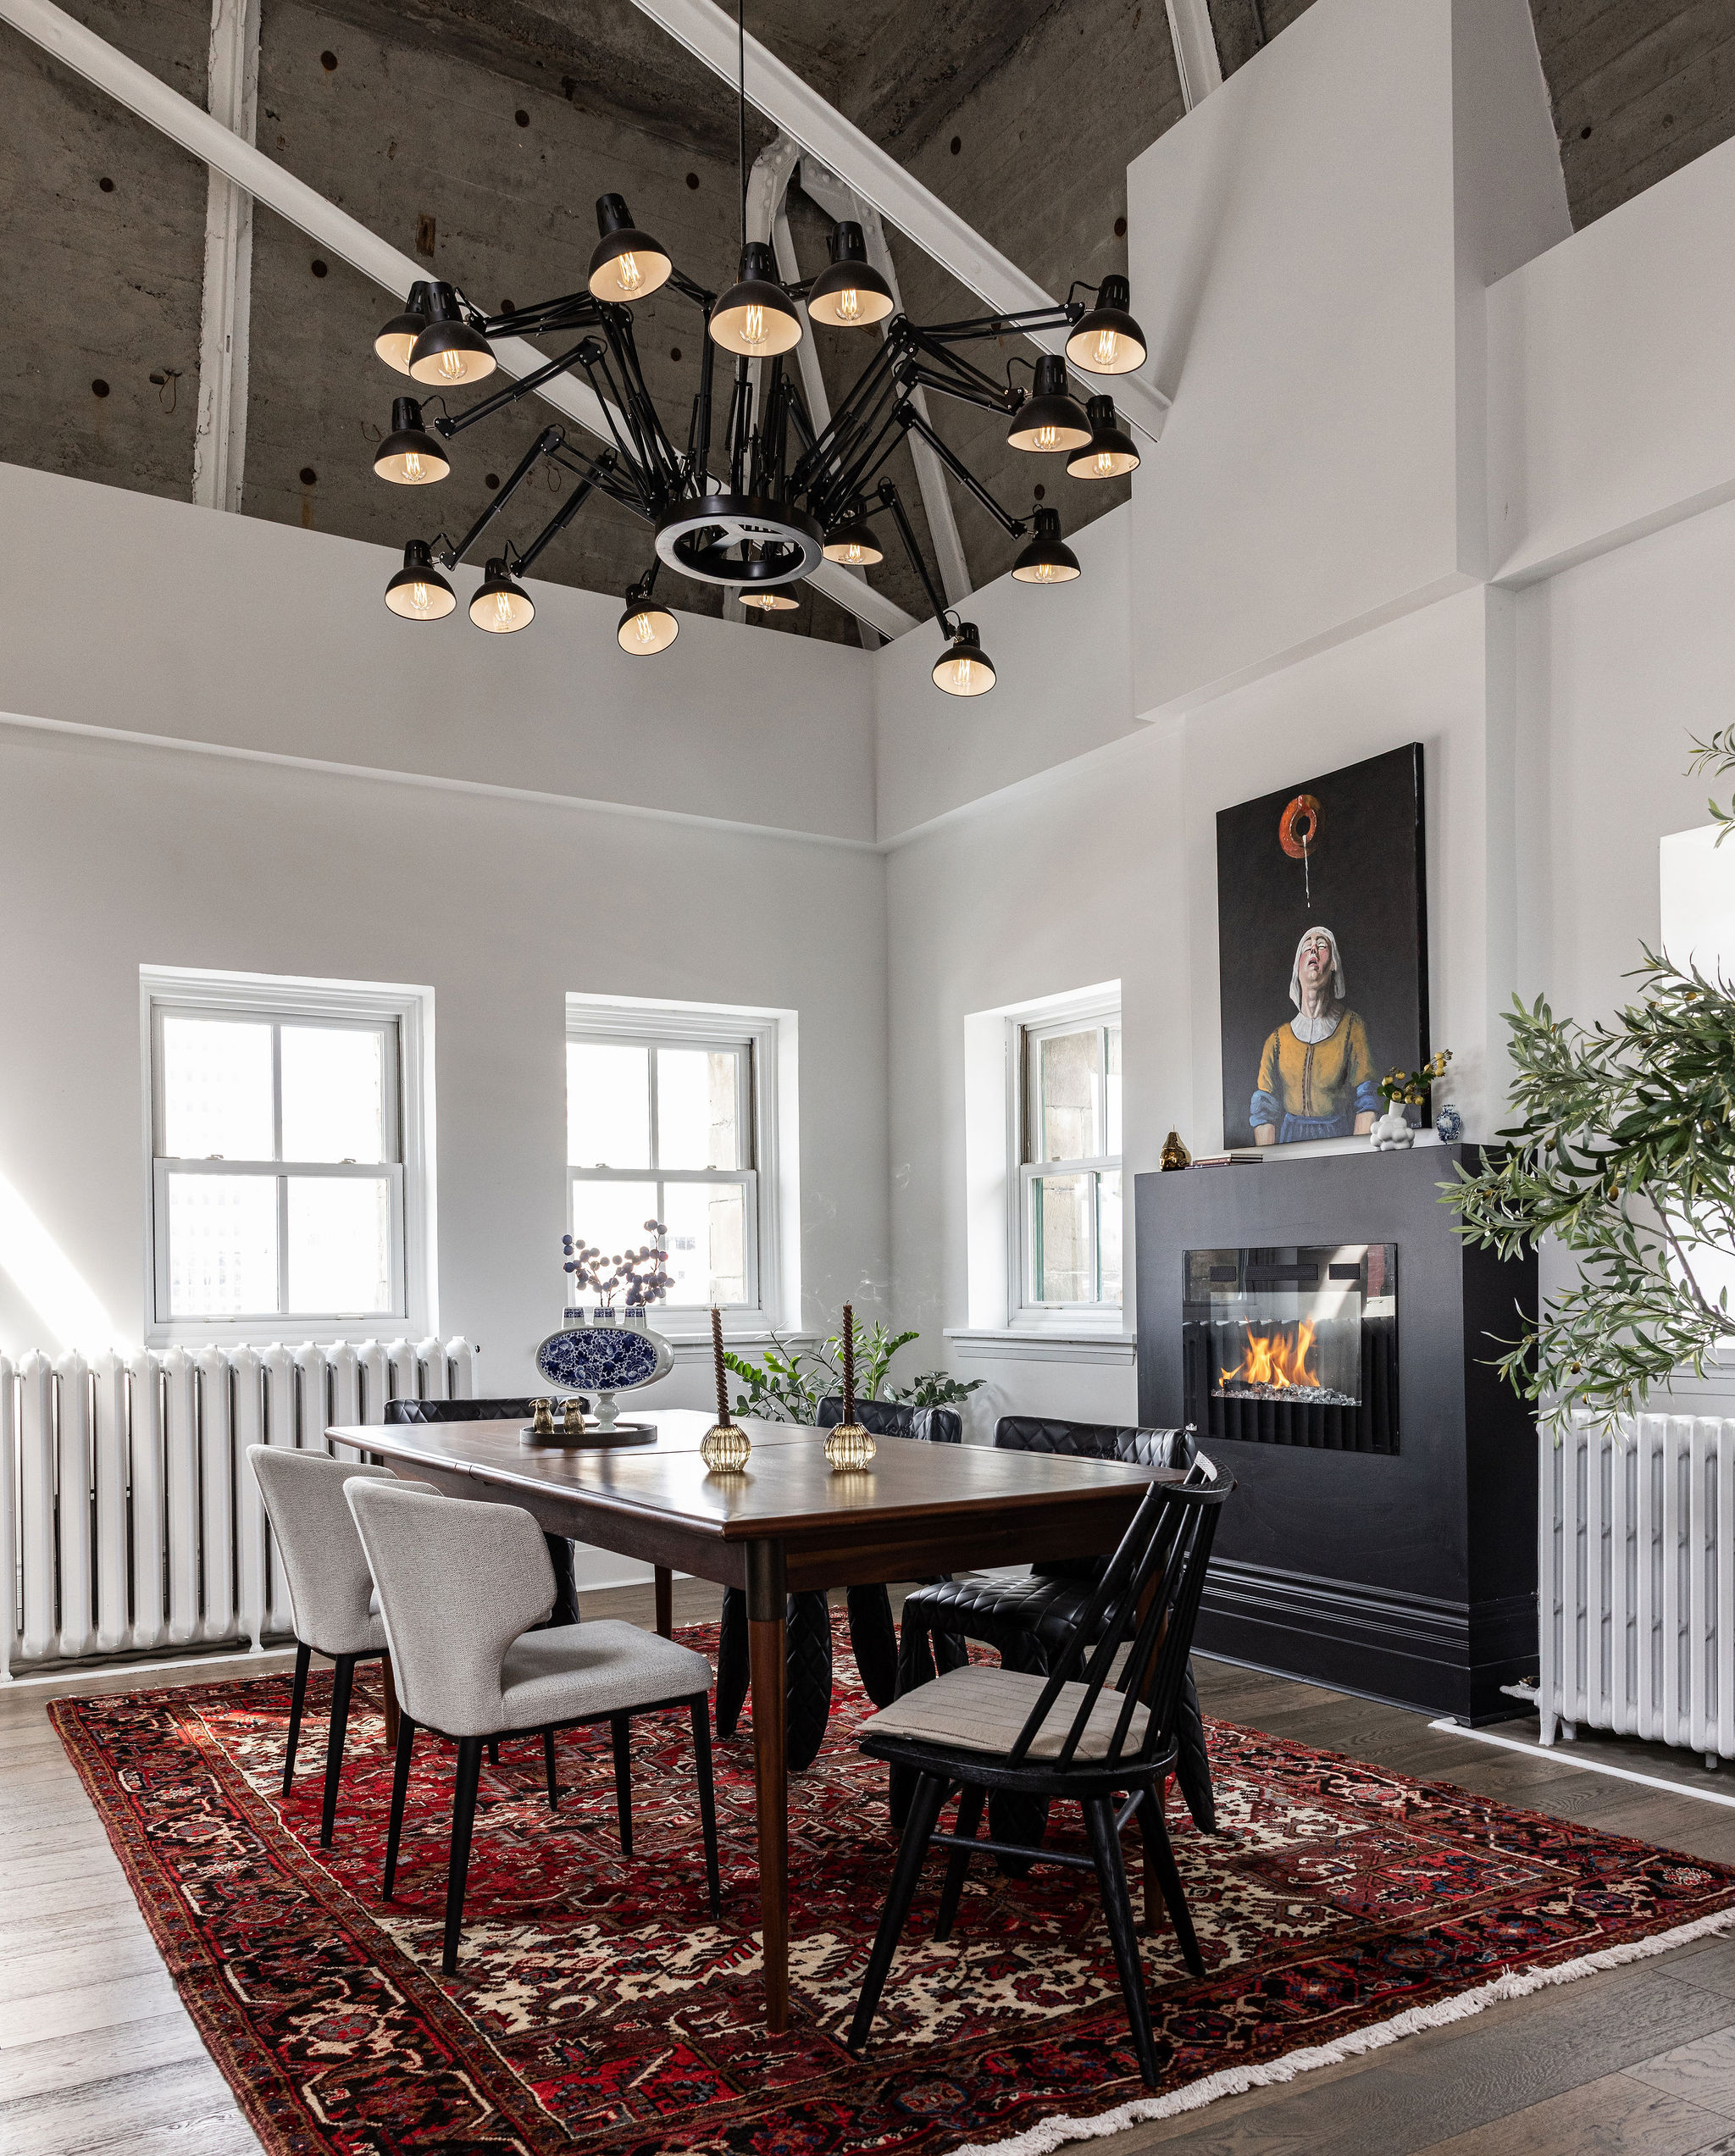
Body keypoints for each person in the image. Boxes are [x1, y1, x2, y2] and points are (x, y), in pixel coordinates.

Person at [1250, 926, 1379, 1145]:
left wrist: (1358, 1156)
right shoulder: (1278, 1039)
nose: (1313, 951)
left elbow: (1367, 1098)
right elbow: (1263, 1107)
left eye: (1321, 945)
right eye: (1306, 947)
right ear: (1297, 966)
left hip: (1338, 1138)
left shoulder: (1352, 1027)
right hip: (1290, 1142)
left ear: (1334, 963)